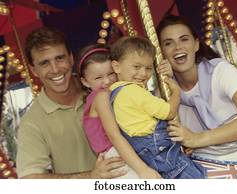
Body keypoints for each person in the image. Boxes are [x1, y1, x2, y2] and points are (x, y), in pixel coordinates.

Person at [156, 14, 237, 178]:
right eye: (168, 43)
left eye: (184, 39)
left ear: (196, 44)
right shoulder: (166, 91)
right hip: (208, 161)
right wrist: (163, 81)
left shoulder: (219, 71)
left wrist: (197, 139)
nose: (177, 47)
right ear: (161, 53)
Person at [16, 27, 126, 178]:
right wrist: (90, 177)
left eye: (60, 58)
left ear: (71, 58)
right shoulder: (32, 123)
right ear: (34, 70)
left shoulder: (102, 86)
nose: (55, 69)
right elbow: (30, 179)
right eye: (44, 63)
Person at [109, 36, 206, 179]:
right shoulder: (133, 91)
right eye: (136, 67)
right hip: (161, 153)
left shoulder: (117, 93)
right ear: (116, 66)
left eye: (148, 68)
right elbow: (169, 112)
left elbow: (154, 105)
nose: (143, 73)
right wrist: (176, 92)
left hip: (149, 153)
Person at [77, 43, 161, 178]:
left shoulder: (118, 94)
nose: (107, 81)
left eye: (111, 74)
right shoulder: (101, 97)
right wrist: (142, 170)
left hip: (127, 150)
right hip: (117, 156)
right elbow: (115, 136)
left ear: (117, 68)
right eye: (98, 77)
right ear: (85, 82)